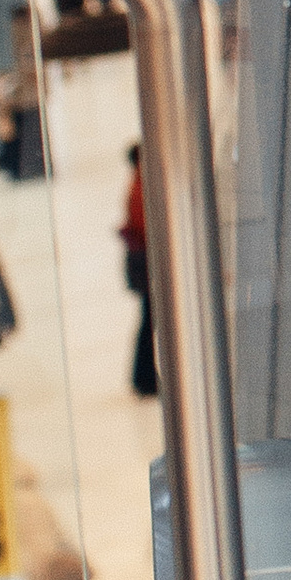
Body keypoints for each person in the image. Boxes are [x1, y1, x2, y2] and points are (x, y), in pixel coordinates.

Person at [120, 144, 156, 397]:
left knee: (148, 318)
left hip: (141, 260)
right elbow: (146, 227)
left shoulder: (137, 182)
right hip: (146, 261)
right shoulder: (142, 185)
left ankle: (143, 375)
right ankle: (144, 377)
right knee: (149, 318)